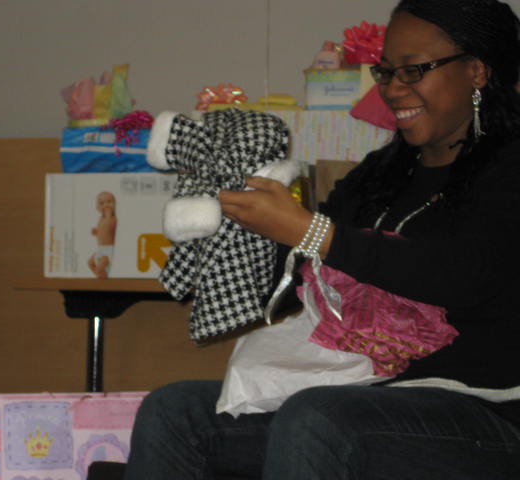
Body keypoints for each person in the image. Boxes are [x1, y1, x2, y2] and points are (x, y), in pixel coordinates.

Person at [124, 0, 520, 478]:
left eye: (414, 70)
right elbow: (297, 282)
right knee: (175, 412)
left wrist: (311, 231)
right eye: (386, 71)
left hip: (488, 413)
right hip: (365, 398)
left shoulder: (510, 166)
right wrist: (241, 222)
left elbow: (467, 275)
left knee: (315, 417)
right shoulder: (382, 175)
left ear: (476, 70)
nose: (394, 88)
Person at [88, 191, 117, 278]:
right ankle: (102, 277)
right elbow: (102, 232)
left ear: (115, 204)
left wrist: (108, 215)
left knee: (98, 269)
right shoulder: (101, 219)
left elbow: (109, 227)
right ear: (97, 207)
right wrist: (96, 232)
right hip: (100, 248)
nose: (106, 205)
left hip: (108, 251)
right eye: (102, 203)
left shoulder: (113, 218)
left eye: (109, 202)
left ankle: (103, 278)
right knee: (90, 263)